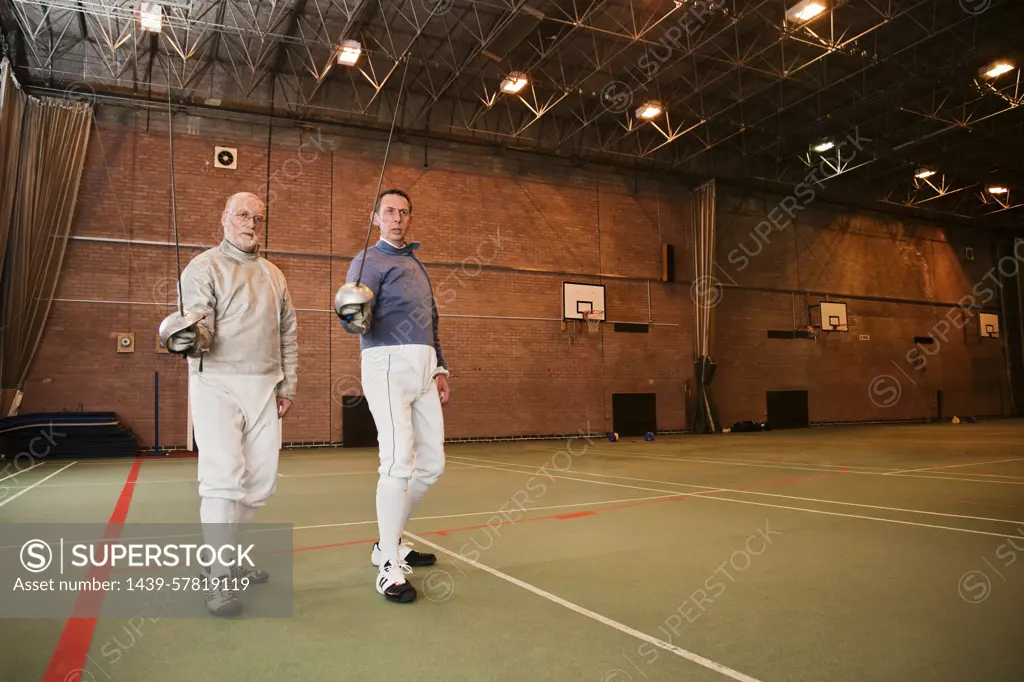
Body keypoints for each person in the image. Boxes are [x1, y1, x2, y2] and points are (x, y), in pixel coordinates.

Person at [163, 191, 298, 617]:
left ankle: (225, 557)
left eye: (258, 217)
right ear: (225, 218)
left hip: (265, 386)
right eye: (242, 215)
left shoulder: (275, 275)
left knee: (260, 484)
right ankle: (218, 575)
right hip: (217, 384)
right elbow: (199, 326)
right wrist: (189, 337)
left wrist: (287, 386)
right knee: (222, 479)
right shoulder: (203, 267)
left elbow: (288, 333)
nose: (250, 223)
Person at [337, 188, 450, 604]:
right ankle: (388, 565)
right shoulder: (368, 260)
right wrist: (353, 313)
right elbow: (354, 319)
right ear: (376, 217)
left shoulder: (415, 262)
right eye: (390, 211)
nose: (397, 218)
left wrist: (439, 366)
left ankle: (390, 541)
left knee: (432, 463)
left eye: (404, 212)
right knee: (399, 460)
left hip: (423, 367)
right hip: (386, 362)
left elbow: (432, 318)